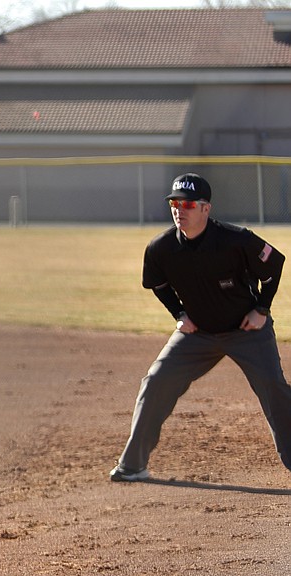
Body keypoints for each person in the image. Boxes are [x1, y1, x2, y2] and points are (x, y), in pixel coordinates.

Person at [110, 172, 291, 482]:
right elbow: (158, 284)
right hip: (198, 335)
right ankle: (132, 465)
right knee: (155, 382)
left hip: (247, 331)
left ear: (206, 208)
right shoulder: (161, 248)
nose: (181, 210)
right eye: (175, 203)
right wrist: (179, 313)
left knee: (274, 390)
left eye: (189, 204)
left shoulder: (237, 240)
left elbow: (274, 266)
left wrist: (262, 309)